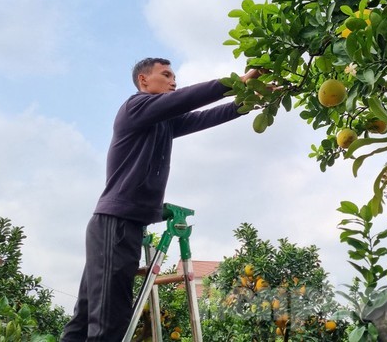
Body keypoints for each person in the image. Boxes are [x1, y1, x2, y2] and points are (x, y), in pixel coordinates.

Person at [61, 57, 262, 341]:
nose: (173, 81)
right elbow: (186, 99)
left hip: (120, 226)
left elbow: (203, 117)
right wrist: (238, 82)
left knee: (86, 317)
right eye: (166, 75)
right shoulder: (135, 107)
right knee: (109, 322)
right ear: (143, 81)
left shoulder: (161, 124)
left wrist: (251, 101)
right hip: (115, 225)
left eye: (173, 76)